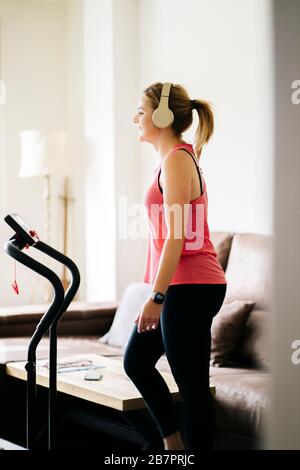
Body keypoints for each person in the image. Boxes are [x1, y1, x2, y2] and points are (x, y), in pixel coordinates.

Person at [123, 82, 227, 451]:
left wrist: (157, 296)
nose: (135, 117)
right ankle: (173, 445)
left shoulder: (179, 161)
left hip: (193, 287)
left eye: (141, 109)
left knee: (193, 386)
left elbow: (177, 239)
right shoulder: (170, 161)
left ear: (163, 116)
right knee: (136, 361)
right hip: (181, 287)